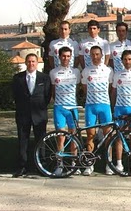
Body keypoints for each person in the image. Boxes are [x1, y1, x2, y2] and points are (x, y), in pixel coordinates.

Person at [12, 53, 51, 177]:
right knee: (23, 141)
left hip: (39, 115)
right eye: (29, 61)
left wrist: (39, 107)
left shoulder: (44, 78)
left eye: (33, 61)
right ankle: (23, 167)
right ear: (25, 63)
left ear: (37, 63)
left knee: (41, 141)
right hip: (23, 115)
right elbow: (15, 96)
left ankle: (41, 166)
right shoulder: (17, 78)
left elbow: (47, 96)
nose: (31, 64)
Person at [81, 46, 113, 176]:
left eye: (97, 54)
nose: (95, 57)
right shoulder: (86, 71)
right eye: (93, 54)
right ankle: (89, 164)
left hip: (105, 105)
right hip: (91, 106)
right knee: (90, 135)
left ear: (102, 55)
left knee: (108, 136)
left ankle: (109, 164)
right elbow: (84, 89)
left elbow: (111, 88)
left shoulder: (108, 71)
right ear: (90, 56)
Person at [111, 50, 131, 174]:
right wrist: (113, 107)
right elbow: (113, 92)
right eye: (125, 59)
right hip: (119, 108)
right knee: (119, 138)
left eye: (130, 59)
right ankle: (119, 163)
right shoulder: (117, 74)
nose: (127, 61)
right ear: (122, 61)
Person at [49, 46, 81, 176]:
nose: (66, 58)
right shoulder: (53, 72)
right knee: (60, 137)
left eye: (68, 56)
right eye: (63, 56)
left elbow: (79, 88)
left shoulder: (76, 72)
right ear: (59, 57)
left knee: (73, 136)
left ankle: (74, 165)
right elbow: (53, 91)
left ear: (71, 57)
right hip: (59, 108)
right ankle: (60, 165)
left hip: (72, 107)